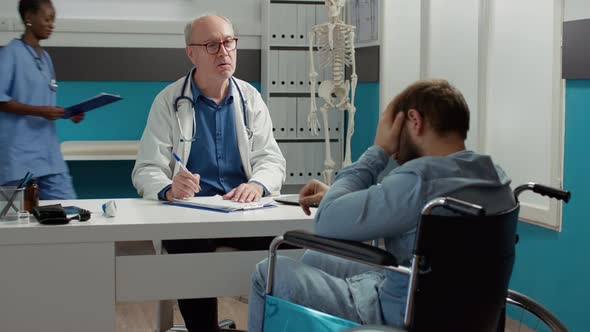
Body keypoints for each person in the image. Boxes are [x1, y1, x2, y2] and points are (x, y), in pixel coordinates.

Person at [248, 79, 516, 330]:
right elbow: (398, 206)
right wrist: (337, 195)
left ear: (414, 120)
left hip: (400, 312)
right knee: (317, 257)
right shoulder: (494, 176)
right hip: (458, 308)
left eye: (391, 126)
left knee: (268, 271)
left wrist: (378, 151)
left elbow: (326, 220)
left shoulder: (419, 180)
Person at [132, 14, 285, 332]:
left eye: (229, 42)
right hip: (191, 215)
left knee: (285, 248)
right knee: (189, 255)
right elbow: (147, 168)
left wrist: (256, 184)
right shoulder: (169, 101)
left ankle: (272, 325)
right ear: (192, 53)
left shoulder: (250, 98)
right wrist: (169, 188)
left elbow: (272, 160)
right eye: (212, 45)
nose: (224, 52)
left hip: (242, 211)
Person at [0, 0, 83, 199]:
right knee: (16, 221)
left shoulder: (45, 58)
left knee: (66, 209)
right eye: (47, 19)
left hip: (48, 154)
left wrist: (66, 113)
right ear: (29, 17)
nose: (51, 24)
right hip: (18, 155)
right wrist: (41, 111)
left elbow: (43, 102)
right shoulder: (10, 53)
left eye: (53, 20)